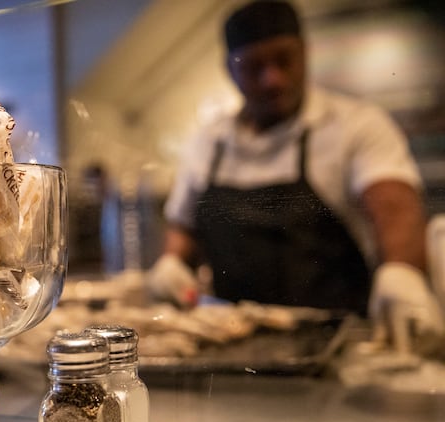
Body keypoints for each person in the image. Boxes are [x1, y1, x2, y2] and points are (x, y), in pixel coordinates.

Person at [147, 0, 444, 353]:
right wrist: (171, 264)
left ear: (305, 53)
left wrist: (401, 271)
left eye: (283, 60)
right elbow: (184, 224)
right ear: (230, 70)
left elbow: (394, 204)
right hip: (232, 346)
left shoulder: (356, 124)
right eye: (254, 66)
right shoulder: (208, 143)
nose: (272, 79)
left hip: (341, 349)